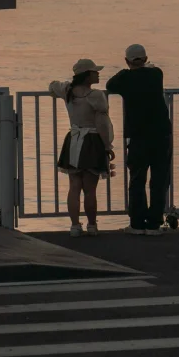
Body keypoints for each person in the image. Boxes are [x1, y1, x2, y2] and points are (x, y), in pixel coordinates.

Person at [106, 43, 171, 235]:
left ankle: (136, 223)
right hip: (161, 134)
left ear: (127, 61)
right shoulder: (156, 74)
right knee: (159, 179)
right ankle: (154, 224)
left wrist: (125, 71)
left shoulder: (125, 79)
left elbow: (110, 85)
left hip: (138, 136)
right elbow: (149, 71)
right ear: (145, 59)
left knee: (137, 179)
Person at [48, 58, 114, 237]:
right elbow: (102, 124)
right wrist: (107, 145)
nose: (98, 73)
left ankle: (75, 226)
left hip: (73, 139)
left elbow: (52, 85)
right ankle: (92, 225)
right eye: (94, 71)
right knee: (90, 188)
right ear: (87, 76)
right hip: (92, 141)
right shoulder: (96, 96)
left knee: (74, 186)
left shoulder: (67, 91)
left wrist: (67, 84)